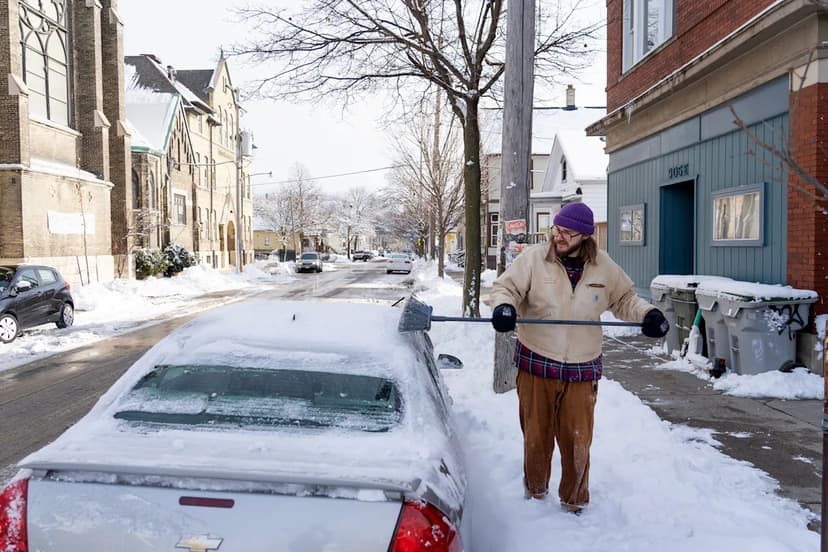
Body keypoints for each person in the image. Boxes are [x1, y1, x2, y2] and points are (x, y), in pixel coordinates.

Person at [490, 202, 669, 514]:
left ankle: (574, 502)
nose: (558, 236)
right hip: (537, 360)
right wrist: (504, 308)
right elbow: (506, 289)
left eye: (567, 233)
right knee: (536, 436)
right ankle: (535, 495)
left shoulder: (604, 266)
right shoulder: (534, 258)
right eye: (557, 229)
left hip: (583, 366)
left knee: (578, 440)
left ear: (585, 237)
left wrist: (648, 314)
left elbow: (624, 299)